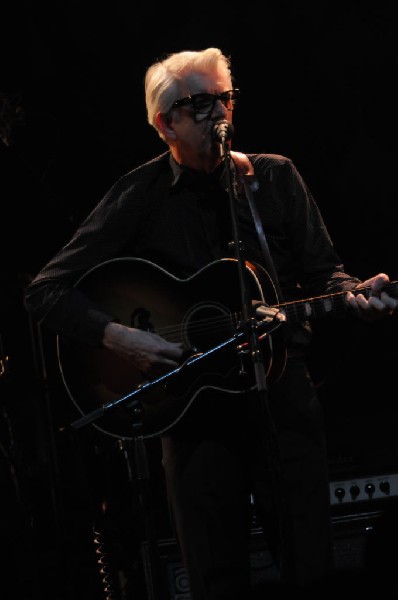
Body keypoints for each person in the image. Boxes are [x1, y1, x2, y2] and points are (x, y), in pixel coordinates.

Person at [24, 47, 398, 599]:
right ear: (164, 123)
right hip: (193, 418)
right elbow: (44, 292)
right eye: (199, 104)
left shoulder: (273, 177)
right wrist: (119, 336)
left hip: (283, 402)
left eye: (225, 98)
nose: (219, 113)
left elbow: (328, 275)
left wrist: (355, 296)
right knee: (216, 578)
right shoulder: (139, 195)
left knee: (312, 568)